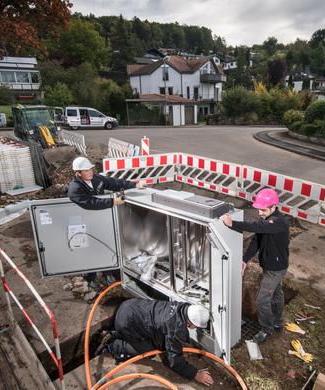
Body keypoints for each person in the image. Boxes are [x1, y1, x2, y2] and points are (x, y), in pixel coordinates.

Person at [220, 188, 289, 343]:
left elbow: (257, 227)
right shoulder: (267, 221)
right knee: (276, 294)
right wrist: (244, 260)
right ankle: (278, 322)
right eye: (259, 210)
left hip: (275, 269)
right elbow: (256, 241)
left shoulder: (279, 222)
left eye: (263, 210)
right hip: (270, 265)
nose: (260, 213)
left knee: (262, 300)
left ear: (273, 207)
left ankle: (266, 329)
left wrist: (233, 223)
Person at [99, 298, 214, 386]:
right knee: (148, 351)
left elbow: (162, 328)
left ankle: (114, 333)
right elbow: (173, 360)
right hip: (126, 323)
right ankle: (112, 346)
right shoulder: (176, 328)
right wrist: (194, 373)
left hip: (129, 306)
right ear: (192, 324)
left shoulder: (181, 307)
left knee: (155, 342)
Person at [67, 156, 144, 288]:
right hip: (86, 225)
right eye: (86, 170)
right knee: (89, 250)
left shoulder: (96, 179)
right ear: (78, 173)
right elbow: (90, 203)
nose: (90, 172)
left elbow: (113, 183)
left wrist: (134, 184)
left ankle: (108, 272)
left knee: (105, 246)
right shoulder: (74, 189)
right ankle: (90, 278)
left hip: (101, 221)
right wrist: (112, 202)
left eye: (91, 169)